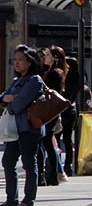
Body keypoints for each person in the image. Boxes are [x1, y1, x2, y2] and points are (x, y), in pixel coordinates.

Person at [0, 45, 44, 206]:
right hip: (14, 129)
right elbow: (0, 98)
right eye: (14, 60)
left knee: (29, 164)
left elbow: (18, 105)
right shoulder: (17, 81)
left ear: (29, 62)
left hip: (29, 128)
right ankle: (11, 199)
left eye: (20, 59)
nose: (16, 63)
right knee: (7, 162)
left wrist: (8, 103)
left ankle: (28, 199)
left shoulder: (35, 80)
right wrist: (7, 99)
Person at [37, 47, 65, 186]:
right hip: (38, 112)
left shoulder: (55, 74)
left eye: (45, 56)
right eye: (40, 56)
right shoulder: (37, 72)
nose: (43, 59)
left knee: (47, 140)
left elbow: (56, 94)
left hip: (50, 112)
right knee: (40, 142)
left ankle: (52, 175)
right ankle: (41, 175)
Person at [61, 55, 81, 177]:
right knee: (68, 140)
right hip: (71, 109)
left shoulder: (66, 78)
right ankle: (68, 166)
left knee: (58, 139)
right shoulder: (77, 78)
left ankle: (63, 165)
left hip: (62, 109)